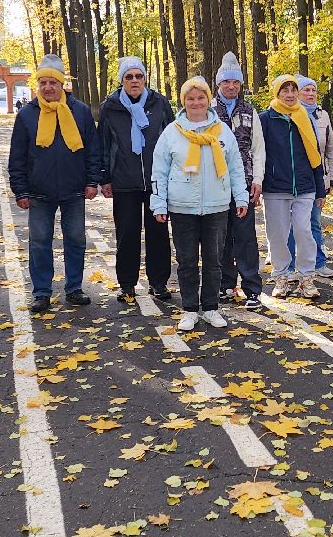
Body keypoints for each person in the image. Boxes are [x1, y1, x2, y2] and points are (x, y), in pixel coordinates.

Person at [151, 77, 250, 331]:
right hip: (182, 207)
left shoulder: (222, 132)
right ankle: (189, 309)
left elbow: (236, 168)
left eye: (201, 97)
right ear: (184, 102)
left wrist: (241, 196)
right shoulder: (172, 132)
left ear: (208, 100)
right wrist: (159, 203)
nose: (196, 102)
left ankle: (210, 308)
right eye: (191, 98)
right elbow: (159, 171)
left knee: (214, 260)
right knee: (186, 261)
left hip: (217, 206)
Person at [7, 55, 101, 314]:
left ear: (62, 85)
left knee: (75, 239)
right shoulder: (27, 115)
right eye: (43, 83)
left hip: (74, 190)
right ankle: (41, 292)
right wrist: (20, 190)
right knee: (39, 242)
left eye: (53, 82)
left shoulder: (79, 111)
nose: (48, 87)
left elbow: (93, 150)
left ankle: (74, 288)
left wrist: (93, 180)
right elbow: (17, 156)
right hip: (39, 192)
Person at [98, 57, 175, 304]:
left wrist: (172, 176)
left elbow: (173, 140)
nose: (134, 81)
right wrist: (105, 178)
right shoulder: (110, 106)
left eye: (138, 76)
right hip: (123, 181)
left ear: (145, 79)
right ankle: (127, 284)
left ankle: (158, 282)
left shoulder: (159, 103)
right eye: (129, 77)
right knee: (127, 235)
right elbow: (104, 145)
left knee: (158, 234)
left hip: (156, 181)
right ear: (121, 80)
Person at [259, 75, 326, 299]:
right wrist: (258, 182)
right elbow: (258, 154)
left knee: (304, 231)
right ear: (276, 93)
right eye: (284, 91)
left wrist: (320, 188)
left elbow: (315, 154)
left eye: (293, 90)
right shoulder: (265, 119)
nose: (289, 95)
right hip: (275, 187)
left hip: (305, 187)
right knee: (277, 234)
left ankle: (306, 276)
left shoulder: (305, 118)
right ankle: (281, 276)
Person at [213, 52, 266, 310]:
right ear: (219, 84)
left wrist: (258, 180)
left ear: (240, 84)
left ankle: (252, 290)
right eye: (226, 82)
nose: (231, 86)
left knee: (246, 237)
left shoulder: (249, 111)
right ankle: (224, 285)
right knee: (221, 238)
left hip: (244, 184)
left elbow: (258, 149)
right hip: (216, 184)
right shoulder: (209, 109)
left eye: (235, 82)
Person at [287, 76, 333, 278]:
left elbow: (331, 150)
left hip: (318, 180)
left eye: (313, 90)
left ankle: (318, 263)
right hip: (294, 180)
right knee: (291, 225)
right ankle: (289, 267)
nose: (310, 94)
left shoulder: (323, 116)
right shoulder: (290, 115)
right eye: (305, 90)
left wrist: (331, 179)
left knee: (314, 223)